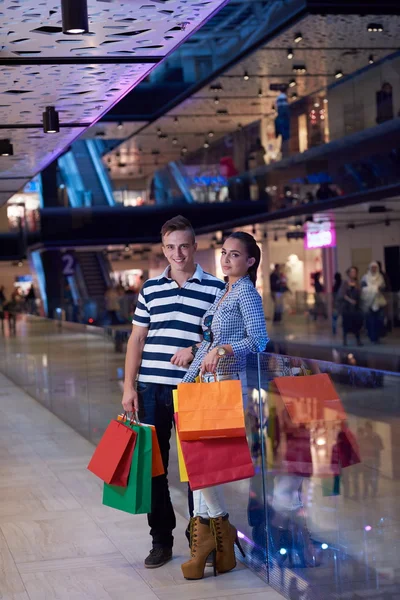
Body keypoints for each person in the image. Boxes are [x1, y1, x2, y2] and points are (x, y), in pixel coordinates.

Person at [121, 215, 225, 569]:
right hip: (150, 387)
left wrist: (196, 350)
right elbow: (137, 339)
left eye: (183, 245)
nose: (177, 253)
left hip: (195, 389)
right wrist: (128, 387)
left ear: (195, 246)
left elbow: (219, 339)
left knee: (199, 468)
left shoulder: (215, 288)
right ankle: (161, 540)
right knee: (155, 468)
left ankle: (201, 538)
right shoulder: (150, 289)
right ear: (163, 249)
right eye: (170, 247)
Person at [179, 231, 268, 580]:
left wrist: (223, 350)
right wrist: (199, 348)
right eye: (224, 252)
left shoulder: (246, 291)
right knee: (199, 463)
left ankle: (211, 543)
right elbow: (213, 335)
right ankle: (220, 545)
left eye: (235, 255)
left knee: (203, 464)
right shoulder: (225, 290)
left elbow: (258, 338)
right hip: (201, 384)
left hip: (225, 388)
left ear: (249, 261)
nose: (227, 259)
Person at [361, 262, 386, 344]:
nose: (374, 269)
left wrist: (377, 289)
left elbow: (383, 287)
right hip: (369, 302)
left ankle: (377, 336)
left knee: (379, 320)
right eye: (372, 267)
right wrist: (373, 289)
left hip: (379, 302)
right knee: (370, 321)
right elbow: (363, 288)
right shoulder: (365, 277)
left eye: (375, 267)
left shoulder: (380, 277)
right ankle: (372, 337)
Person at [338, 267, 363, 346]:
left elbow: (360, 293)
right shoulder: (345, 282)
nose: (353, 274)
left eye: (355, 272)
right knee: (347, 323)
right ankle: (344, 340)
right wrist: (350, 300)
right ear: (349, 273)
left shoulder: (357, 283)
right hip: (347, 307)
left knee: (356, 323)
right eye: (352, 272)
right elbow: (342, 294)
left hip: (355, 306)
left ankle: (358, 339)